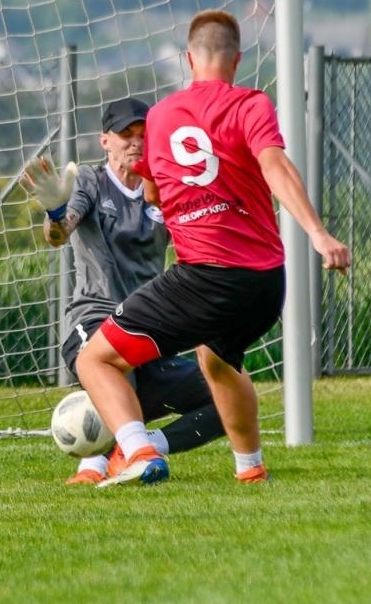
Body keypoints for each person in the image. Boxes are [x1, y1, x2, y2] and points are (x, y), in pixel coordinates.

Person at [74, 10, 351, 487]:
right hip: (266, 284)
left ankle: (137, 450)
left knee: (94, 359)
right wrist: (316, 233)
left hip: (204, 276)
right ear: (237, 60)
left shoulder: (161, 116)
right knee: (218, 359)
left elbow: (159, 194)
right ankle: (250, 467)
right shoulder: (252, 104)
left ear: (188, 58)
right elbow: (275, 166)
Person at [22, 97, 228, 485]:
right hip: (93, 320)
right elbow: (59, 234)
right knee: (117, 356)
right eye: (125, 135)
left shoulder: (167, 192)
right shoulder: (89, 181)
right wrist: (53, 212)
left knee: (228, 391)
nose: (135, 143)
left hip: (149, 326)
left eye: (143, 135)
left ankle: (136, 448)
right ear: (105, 141)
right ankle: (98, 464)